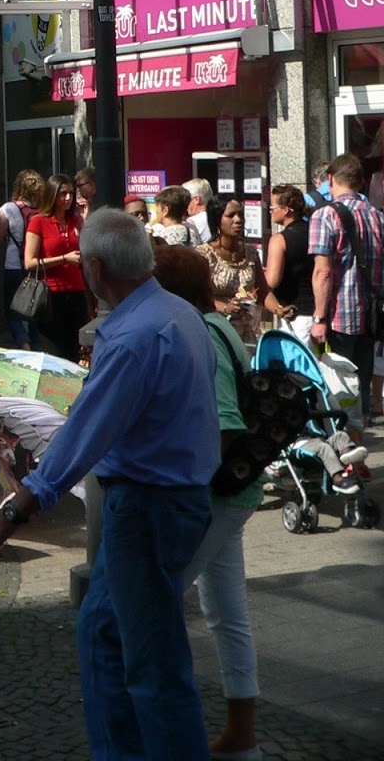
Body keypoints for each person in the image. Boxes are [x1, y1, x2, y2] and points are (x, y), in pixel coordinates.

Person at [0, 209, 220, 761]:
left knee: (148, 661)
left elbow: (83, 433)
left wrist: (18, 507)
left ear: (96, 267)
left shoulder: (135, 335)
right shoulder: (178, 314)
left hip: (149, 508)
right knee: (107, 634)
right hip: (170, 501)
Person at [150, 244, 266, 759]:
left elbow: (224, 423)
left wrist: (190, 496)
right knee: (225, 611)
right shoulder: (216, 327)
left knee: (159, 598)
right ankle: (240, 736)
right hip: (232, 490)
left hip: (217, 493)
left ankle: (175, 731)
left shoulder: (203, 333)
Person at [309, 152, 384, 436]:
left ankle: (345, 451)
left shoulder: (325, 215)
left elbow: (323, 272)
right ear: (362, 183)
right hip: (372, 318)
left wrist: (318, 317)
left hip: (340, 317)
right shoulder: (377, 217)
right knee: (361, 383)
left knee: (339, 386)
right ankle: (359, 448)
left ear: (330, 180)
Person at [23, 173, 87, 360]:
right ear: (52, 195)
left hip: (76, 290)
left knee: (75, 349)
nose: (68, 198)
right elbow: (29, 262)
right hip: (50, 294)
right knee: (53, 350)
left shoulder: (76, 221)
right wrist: (64, 259)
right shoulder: (38, 221)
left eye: (71, 193)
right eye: (62, 193)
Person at [196, 198, 272, 349]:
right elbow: (198, 295)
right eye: (231, 215)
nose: (238, 220)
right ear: (217, 219)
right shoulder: (204, 255)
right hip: (215, 332)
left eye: (240, 215)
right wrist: (224, 307)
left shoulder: (250, 253)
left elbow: (263, 292)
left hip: (245, 333)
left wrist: (279, 309)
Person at [0, 170, 46, 349]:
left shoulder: (8, 209)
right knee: (33, 308)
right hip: (34, 267)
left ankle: (24, 344)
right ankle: (37, 345)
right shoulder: (41, 212)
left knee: (12, 310)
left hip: (13, 265)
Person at [263, 185, 314, 344]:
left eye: (272, 207)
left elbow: (272, 280)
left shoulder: (279, 239)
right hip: (318, 312)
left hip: (294, 314)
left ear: (285, 210)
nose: (270, 211)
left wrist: (259, 273)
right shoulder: (314, 231)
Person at [184, 177, 214, 244]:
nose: (184, 204)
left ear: (197, 199)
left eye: (186, 199)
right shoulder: (217, 217)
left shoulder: (192, 222)